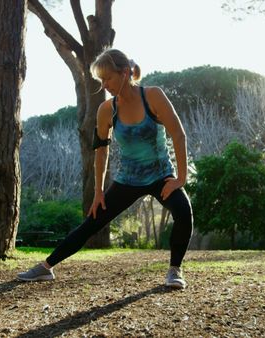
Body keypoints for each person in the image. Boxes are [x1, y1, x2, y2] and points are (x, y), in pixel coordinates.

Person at [17, 48, 193, 289]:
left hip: (161, 175)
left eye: (108, 78)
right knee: (92, 221)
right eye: (101, 79)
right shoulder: (106, 110)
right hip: (127, 180)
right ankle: (46, 267)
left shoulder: (153, 96)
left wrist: (180, 178)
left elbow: (178, 135)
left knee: (183, 212)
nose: (104, 84)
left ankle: (174, 270)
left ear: (125, 73)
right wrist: (99, 191)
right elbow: (101, 151)